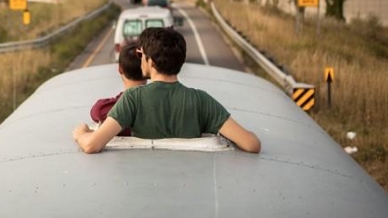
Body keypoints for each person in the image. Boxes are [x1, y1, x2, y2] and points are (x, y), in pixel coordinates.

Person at [73, 27, 261, 154]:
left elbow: (92, 145)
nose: (140, 59)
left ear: (151, 61)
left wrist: (81, 133)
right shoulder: (201, 100)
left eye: (141, 54)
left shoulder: (133, 98)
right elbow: (252, 144)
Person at [90, 42, 147, 136]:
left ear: (120, 69)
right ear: (148, 69)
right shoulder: (160, 103)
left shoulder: (107, 109)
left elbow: (96, 111)